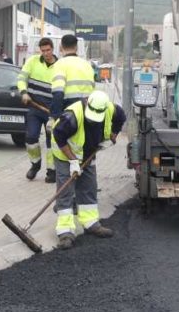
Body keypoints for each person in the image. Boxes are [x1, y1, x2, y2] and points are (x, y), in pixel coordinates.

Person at [51, 90, 125, 250]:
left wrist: (113, 135)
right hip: (65, 155)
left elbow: (121, 118)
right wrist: (72, 161)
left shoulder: (112, 110)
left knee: (89, 187)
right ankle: (65, 231)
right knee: (66, 191)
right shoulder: (71, 116)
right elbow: (58, 136)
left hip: (88, 153)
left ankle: (90, 223)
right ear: (87, 104)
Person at [17, 37, 58, 183]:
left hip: (51, 112)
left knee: (51, 142)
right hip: (34, 108)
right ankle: (35, 165)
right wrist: (24, 92)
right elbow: (21, 79)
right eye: (43, 50)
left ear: (53, 49)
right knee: (30, 138)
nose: (46, 53)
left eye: (48, 50)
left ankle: (51, 171)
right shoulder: (33, 61)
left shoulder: (60, 66)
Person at [48, 34, 95, 120]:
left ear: (60, 47)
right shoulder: (87, 65)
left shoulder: (60, 64)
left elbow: (58, 93)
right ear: (76, 47)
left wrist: (55, 117)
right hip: (88, 111)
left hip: (69, 112)